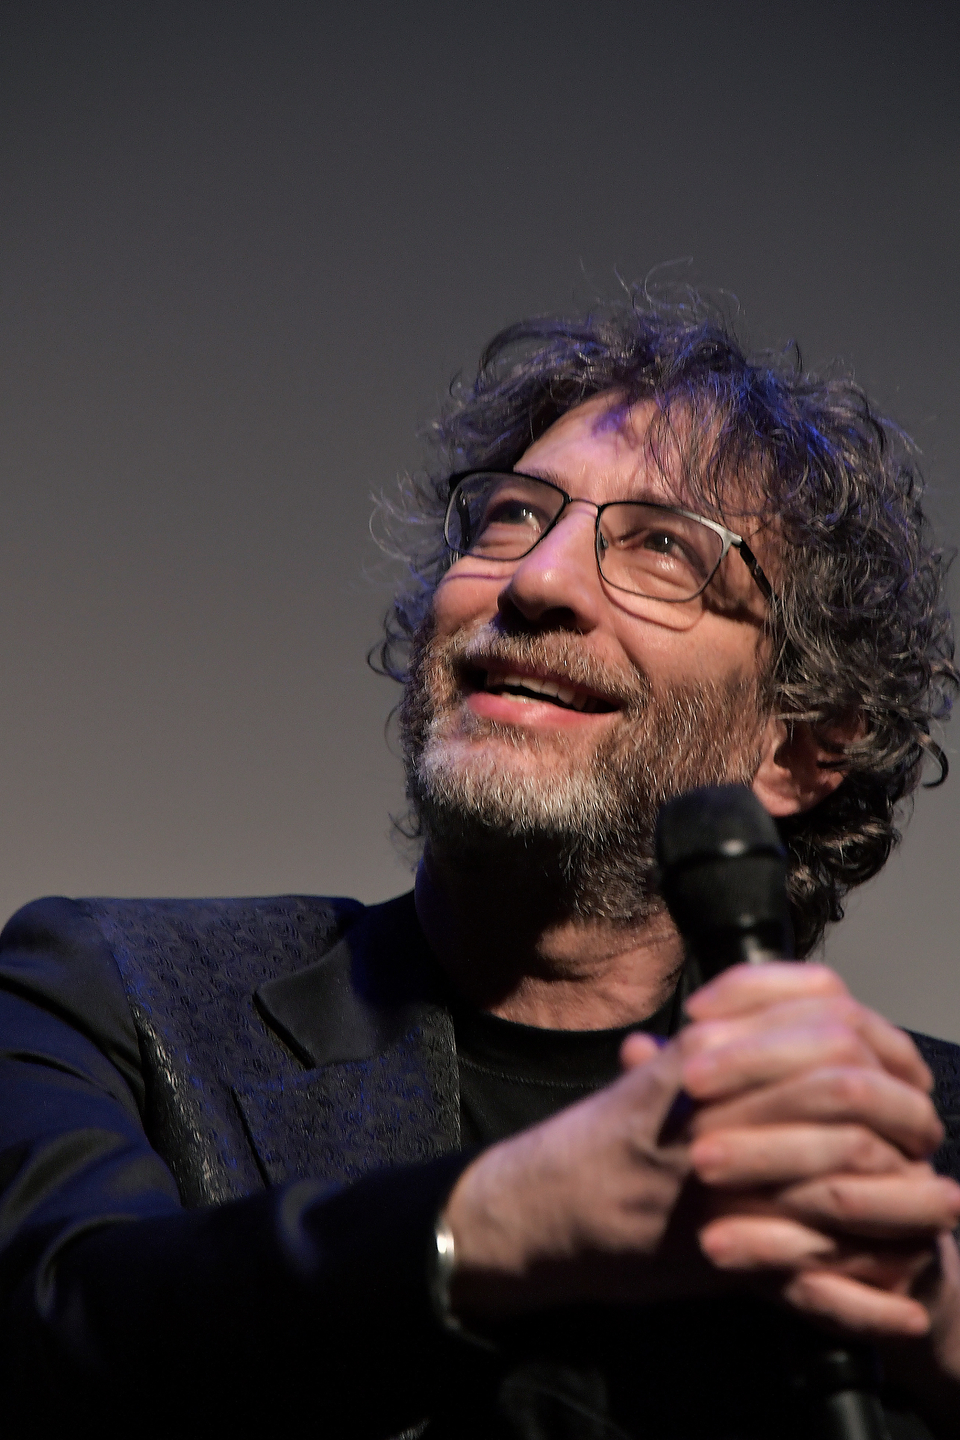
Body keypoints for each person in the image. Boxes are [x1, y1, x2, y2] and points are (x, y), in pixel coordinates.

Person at [1, 298, 960, 1440]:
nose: (537, 581)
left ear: (800, 747)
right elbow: (48, 1336)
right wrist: (509, 1219)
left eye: (663, 546)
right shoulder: (112, 989)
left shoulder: (926, 1149)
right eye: (512, 516)